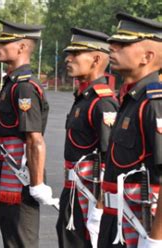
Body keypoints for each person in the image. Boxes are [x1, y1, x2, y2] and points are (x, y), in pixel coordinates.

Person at [0, 20, 58, 248]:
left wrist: (37, 183)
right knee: (12, 239)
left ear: (21, 47)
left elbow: (34, 139)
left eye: (4, 42)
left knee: (22, 241)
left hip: (21, 174)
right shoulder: (12, 83)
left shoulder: (25, 87)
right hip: (7, 168)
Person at [97, 13, 162, 248]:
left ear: (147, 56)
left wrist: (156, 238)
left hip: (139, 226)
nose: (112, 48)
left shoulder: (154, 102)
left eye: (123, 44)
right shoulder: (130, 99)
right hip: (115, 222)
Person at [55, 28, 119, 248]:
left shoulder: (102, 102)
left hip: (88, 198)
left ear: (96, 59)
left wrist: (99, 208)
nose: (68, 58)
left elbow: (109, 159)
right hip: (73, 190)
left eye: (76, 53)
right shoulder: (85, 97)